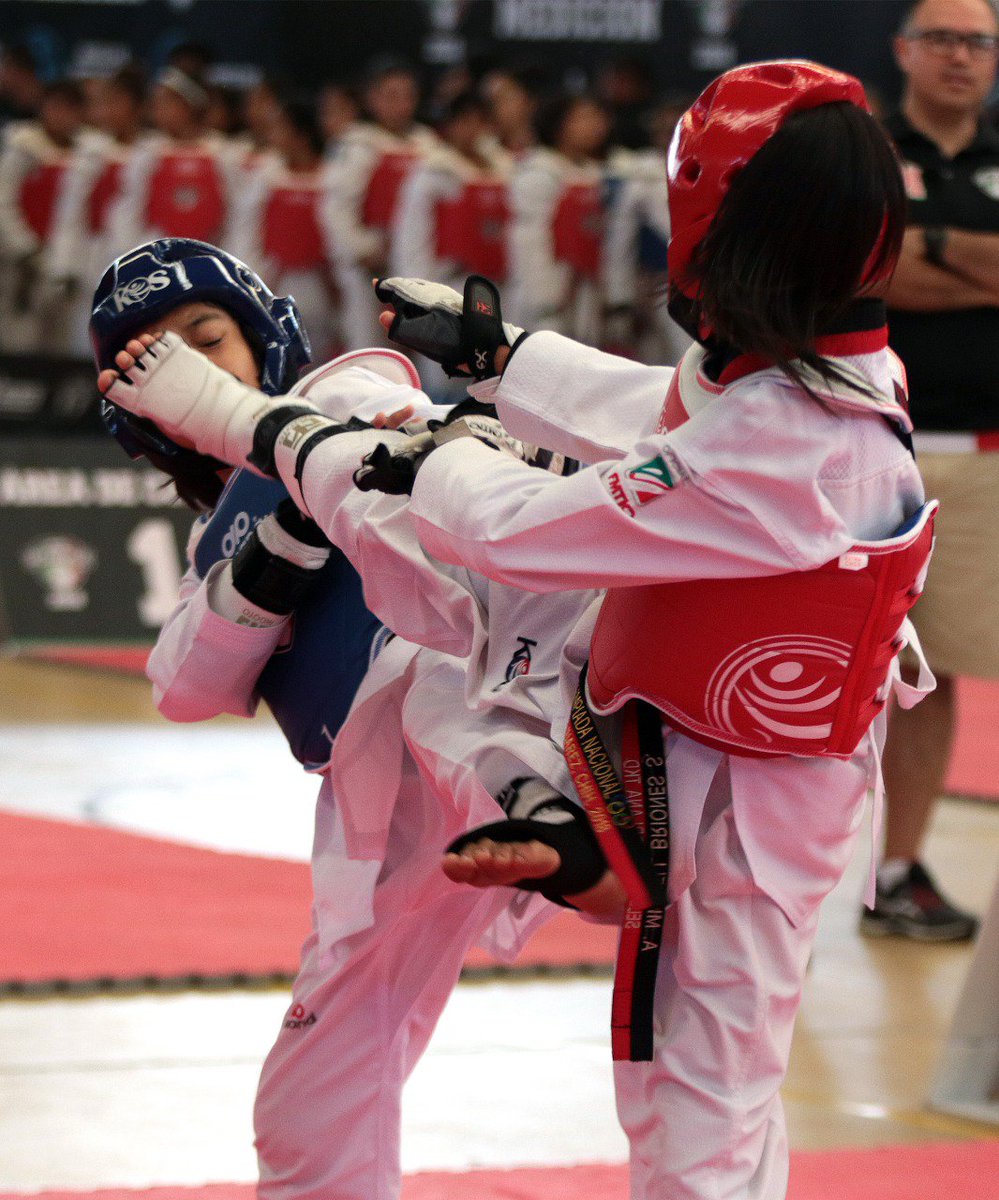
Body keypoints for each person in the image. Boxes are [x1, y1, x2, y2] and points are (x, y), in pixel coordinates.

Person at [96, 60, 937, 1199]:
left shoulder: (793, 447)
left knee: (698, 1100)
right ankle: (539, 804)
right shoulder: (791, 371)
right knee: (655, 1084)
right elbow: (665, 403)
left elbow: (512, 529)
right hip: (639, 737)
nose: (187, 365)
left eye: (207, 337)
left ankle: (537, 802)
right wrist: (508, 362)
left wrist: (257, 424)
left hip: (734, 783)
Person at [92, 238, 612, 1198]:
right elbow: (183, 687)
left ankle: (558, 820)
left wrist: (306, 487)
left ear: (261, 342)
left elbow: (394, 434)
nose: (186, 369)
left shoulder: (345, 391)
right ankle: (550, 826)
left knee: (441, 704)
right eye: (153, 358)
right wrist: (271, 561)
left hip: (510, 679)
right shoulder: (218, 543)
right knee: (312, 1083)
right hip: (390, 816)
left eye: (206, 339)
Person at [873, 0, 995, 942]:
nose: (961, 57)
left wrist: (936, 247)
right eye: (943, 38)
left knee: (936, 667)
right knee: (814, 663)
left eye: (979, 40)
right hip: (865, 445)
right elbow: (874, 273)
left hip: (979, 455)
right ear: (905, 50)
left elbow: (912, 262)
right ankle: (738, 864)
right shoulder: (864, 149)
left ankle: (899, 870)